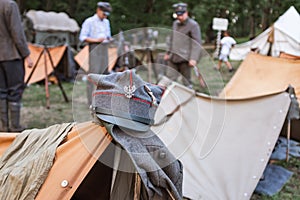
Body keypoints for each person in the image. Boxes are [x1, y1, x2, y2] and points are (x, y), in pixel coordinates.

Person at [0, 0, 33, 132]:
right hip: (11, 55)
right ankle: (14, 126)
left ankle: (3, 127)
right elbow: (17, 33)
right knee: (15, 91)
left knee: (1, 92)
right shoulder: (10, 5)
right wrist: (26, 54)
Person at [79, 1, 112, 105]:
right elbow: (83, 37)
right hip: (94, 48)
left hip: (105, 48)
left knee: (105, 74)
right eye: (104, 13)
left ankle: (102, 100)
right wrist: (97, 40)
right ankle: (90, 100)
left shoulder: (106, 22)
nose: (105, 16)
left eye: (107, 14)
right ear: (98, 10)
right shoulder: (89, 21)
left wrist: (109, 39)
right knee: (93, 74)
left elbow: (108, 34)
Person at [164, 2, 202, 88]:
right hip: (173, 57)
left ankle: (189, 97)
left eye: (181, 15)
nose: (179, 17)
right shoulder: (175, 24)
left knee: (186, 82)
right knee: (169, 79)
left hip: (185, 58)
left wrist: (193, 58)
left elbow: (196, 43)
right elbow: (172, 38)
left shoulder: (193, 25)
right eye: (178, 15)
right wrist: (167, 52)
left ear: (186, 13)